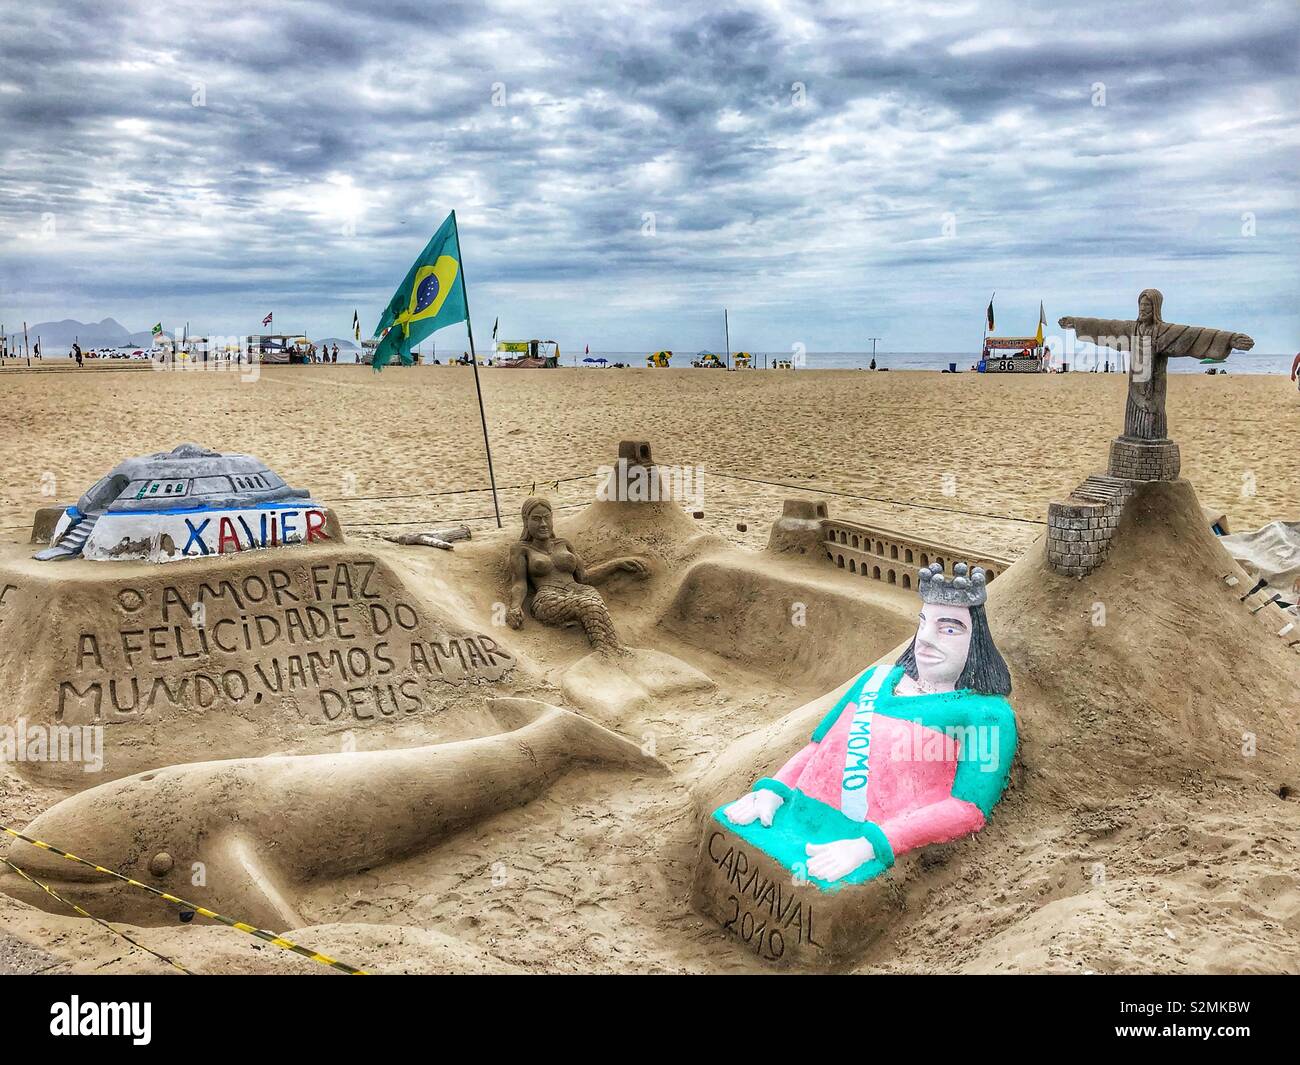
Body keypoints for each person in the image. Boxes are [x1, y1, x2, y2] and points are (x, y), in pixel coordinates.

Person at [720, 562, 1016, 885]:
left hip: (862, 840)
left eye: (948, 629)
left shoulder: (987, 716)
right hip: (795, 814)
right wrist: (774, 791)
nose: (926, 640)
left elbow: (967, 808)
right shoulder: (875, 679)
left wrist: (871, 845)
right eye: (923, 623)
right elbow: (818, 748)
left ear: (976, 641)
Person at [506, 496, 649, 652]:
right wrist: (515, 607)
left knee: (596, 607)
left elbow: (584, 577)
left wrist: (616, 564)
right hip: (548, 597)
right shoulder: (521, 549)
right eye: (536, 519)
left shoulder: (564, 543)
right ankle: (604, 652)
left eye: (547, 518)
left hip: (579, 590)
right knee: (589, 606)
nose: (543, 524)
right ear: (526, 521)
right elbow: (519, 583)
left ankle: (614, 649)